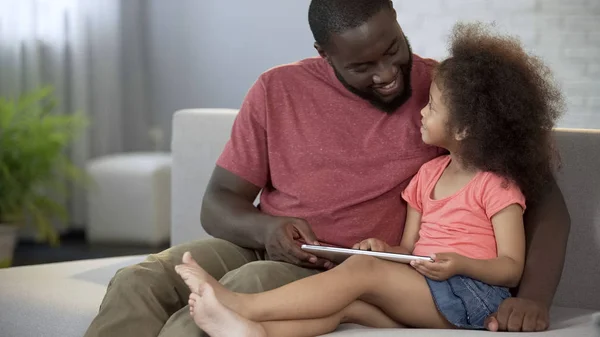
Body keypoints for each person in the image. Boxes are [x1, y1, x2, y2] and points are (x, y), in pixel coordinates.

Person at [83, 1, 570, 336]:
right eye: (363, 66)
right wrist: (267, 227)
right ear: (324, 55)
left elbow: (545, 203)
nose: (386, 74)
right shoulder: (277, 90)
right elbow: (217, 203)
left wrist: (534, 298)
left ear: (397, 19)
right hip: (254, 246)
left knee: (236, 294)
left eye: (394, 49)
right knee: (137, 280)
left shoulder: (454, 97)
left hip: (338, 271)